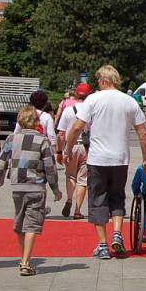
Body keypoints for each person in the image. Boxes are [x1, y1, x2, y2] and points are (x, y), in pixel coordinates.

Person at [65, 65, 146, 259]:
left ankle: (103, 245)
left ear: (103, 81)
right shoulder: (129, 102)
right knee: (117, 197)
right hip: (120, 158)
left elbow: (78, 126)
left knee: (98, 199)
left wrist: (68, 148)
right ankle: (118, 233)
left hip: (97, 159)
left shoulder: (93, 100)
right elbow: (143, 132)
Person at [0, 105, 62, 276]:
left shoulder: (11, 139)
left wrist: (0, 178)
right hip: (36, 187)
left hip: (17, 186)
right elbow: (50, 167)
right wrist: (55, 189)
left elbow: (1, 161)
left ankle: (23, 257)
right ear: (36, 121)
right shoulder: (42, 140)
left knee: (19, 222)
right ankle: (25, 262)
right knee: (32, 224)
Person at [56, 83, 92, 219]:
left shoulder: (68, 110)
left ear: (76, 94)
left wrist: (60, 152)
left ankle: (69, 199)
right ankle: (77, 210)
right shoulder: (92, 111)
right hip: (86, 147)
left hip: (71, 146)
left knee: (70, 175)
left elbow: (60, 134)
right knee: (83, 179)